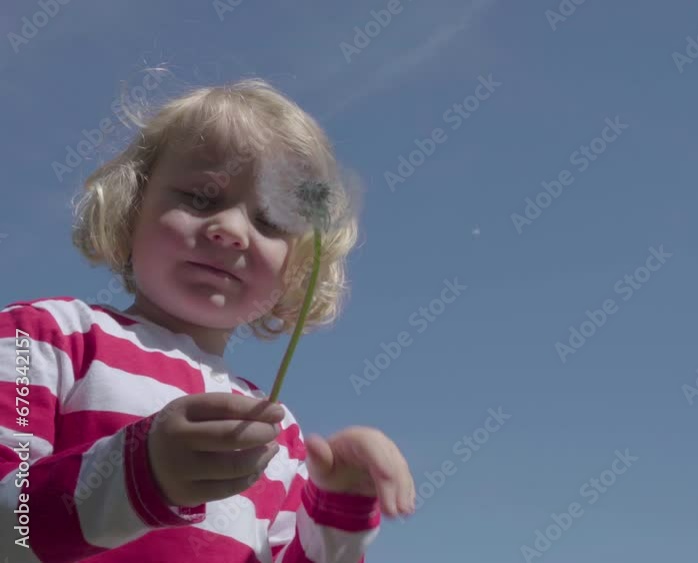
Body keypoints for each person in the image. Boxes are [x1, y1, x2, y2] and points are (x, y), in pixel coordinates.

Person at [0, 76, 415, 562]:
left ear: (298, 266)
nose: (232, 230)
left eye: (269, 221)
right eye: (200, 198)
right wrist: (140, 475)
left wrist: (340, 511)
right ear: (133, 207)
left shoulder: (278, 431)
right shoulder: (43, 336)